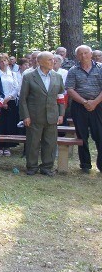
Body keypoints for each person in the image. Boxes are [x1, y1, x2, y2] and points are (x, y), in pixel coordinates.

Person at [18, 51, 65, 176]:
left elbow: (60, 97)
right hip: (34, 116)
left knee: (50, 143)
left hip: (52, 116)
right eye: (49, 59)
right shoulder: (29, 76)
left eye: (53, 59)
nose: (53, 61)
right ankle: (32, 167)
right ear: (40, 62)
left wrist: (61, 114)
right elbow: (23, 99)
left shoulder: (57, 76)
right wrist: (25, 116)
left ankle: (47, 167)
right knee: (33, 142)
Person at [65, 45, 102, 173]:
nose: (83, 56)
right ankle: (85, 165)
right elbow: (70, 89)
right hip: (79, 106)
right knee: (82, 135)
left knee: (100, 135)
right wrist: (85, 102)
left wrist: (95, 102)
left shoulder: (100, 68)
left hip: (98, 105)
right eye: (80, 54)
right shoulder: (73, 70)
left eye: (86, 53)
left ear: (91, 54)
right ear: (77, 56)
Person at [0, 53, 20, 156]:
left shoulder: (13, 74)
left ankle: (8, 146)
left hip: (11, 101)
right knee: (0, 124)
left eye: (5, 60)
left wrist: (8, 99)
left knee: (9, 123)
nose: (3, 63)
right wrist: (2, 101)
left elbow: (16, 88)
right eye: (1, 61)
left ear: (8, 61)